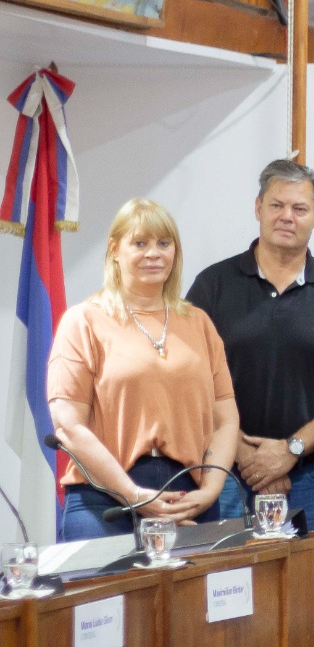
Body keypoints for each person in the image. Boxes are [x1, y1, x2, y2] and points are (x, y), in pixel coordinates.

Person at [187, 159, 314, 532]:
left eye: (300, 208)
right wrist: (243, 454)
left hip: (312, 475)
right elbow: (187, 379)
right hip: (224, 471)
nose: (287, 216)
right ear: (258, 208)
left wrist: (291, 450)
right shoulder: (213, 285)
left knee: (307, 588)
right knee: (227, 586)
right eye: (276, 205)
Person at [47, 198, 240, 539]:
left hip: (189, 499)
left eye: (164, 243)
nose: (154, 254)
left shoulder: (199, 323)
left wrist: (210, 491)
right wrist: (132, 495)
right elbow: (69, 426)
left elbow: (225, 420)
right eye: (140, 243)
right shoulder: (84, 321)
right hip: (104, 502)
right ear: (115, 250)